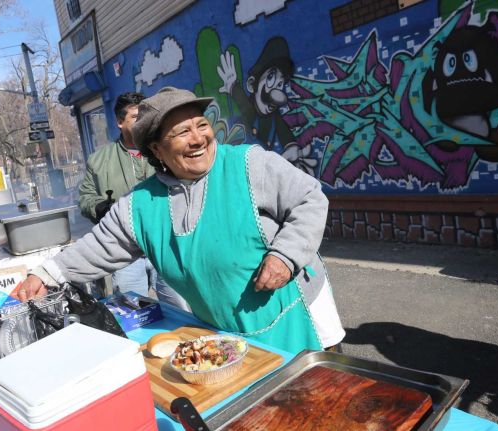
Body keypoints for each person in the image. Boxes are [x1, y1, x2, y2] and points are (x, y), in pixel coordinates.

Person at [21, 87, 344, 354]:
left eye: (202, 126)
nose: (198, 139)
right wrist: (48, 273)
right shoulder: (140, 205)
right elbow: (100, 247)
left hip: (299, 316)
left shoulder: (249, 164)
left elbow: (310, 199)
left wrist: (285, 256)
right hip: (228, 331)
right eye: (182, 132)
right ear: (157, 149)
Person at [77, 92, 189, 311]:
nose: (142, 122)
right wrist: (99, 207)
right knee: (133, 309)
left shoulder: (164, 149)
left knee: (179, 307)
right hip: (126, 249)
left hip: (166, 243)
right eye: (136, 117)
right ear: (120, 122)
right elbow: (85, 198)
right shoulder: (99, 160)